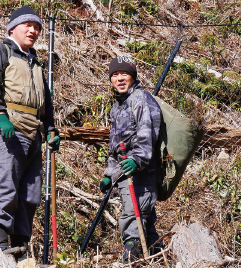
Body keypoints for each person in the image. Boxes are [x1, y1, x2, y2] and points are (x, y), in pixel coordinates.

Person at [0, 5, 60, 261]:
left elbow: (44, 102)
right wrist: (0, 116)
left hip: (33, 134)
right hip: (8, 130)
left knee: (31, 192)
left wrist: (50, 128)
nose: (33, 31)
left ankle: (21, 245)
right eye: (29, 26)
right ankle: (0, 243)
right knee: (7, 185)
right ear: (13, 28)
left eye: (37, 28)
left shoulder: (34, 61)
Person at [100, 55, 162, 263]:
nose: (119, 79)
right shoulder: (117, 107)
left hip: (142, 175)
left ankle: (130, 261)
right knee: (145, 223)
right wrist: (110, 174)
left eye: (124, 74)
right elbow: (115, 147)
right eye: (115, 75)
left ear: (133, 77)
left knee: (133, 217)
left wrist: (137, 160)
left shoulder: (142, 99)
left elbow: (148, 135)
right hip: (125, 174)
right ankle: (158, 260)